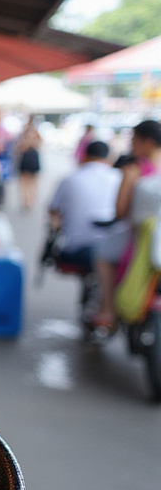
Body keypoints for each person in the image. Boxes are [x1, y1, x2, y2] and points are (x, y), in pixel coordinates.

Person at [92, 120, 161, 331]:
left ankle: (108, 310)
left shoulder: (134, 170)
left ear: (146, 142)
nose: (131, 145)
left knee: (102, 255)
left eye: (134, 140)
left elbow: (120, 212)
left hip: (139, 235)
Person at [46, 140, 120, 274]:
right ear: (108, 157)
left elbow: (53, 212)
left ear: (85, 155)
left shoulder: (70, 178)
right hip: (111, 249)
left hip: (74, 249)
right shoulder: (119, 177)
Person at [14, 116, 42, 211]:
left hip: (30, 157)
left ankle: (29, 201)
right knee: (28, 182)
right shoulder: (28, 133)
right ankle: (28, 201)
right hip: (29, 157)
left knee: (30, 182)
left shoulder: (30, 133)